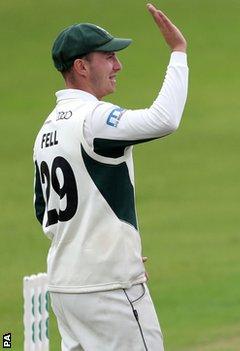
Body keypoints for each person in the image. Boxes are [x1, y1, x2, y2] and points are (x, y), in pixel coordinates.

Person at [32, 4, 187, 350]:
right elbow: (165, 119)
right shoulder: (93, 118)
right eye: (108, 57)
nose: (118, 65)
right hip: (108, 291)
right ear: (81, 67)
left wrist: (107, 243)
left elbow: (46, 212)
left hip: (65, 288)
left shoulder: (45, 131)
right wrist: (178, 53)